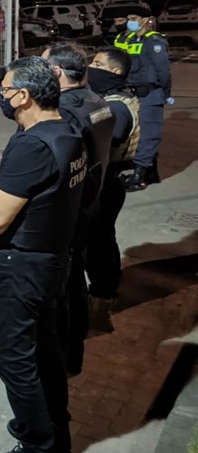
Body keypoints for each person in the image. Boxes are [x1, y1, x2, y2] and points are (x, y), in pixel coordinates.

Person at [0, 56, 86, 453]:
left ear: (24, 96)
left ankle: (38, 451)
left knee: (14, 359)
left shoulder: (33, 145)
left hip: (22, 268)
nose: (1, 95)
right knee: (46, 354)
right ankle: (56, 444)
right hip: (52, 261)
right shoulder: (66, 131)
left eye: (6, 89)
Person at [42, 43, 114, 377]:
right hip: (88, 205)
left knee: (63, 292)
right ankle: (73, 353)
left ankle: (65, 359)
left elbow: (50, 168)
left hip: (66, 216)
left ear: (57, 72)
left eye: (43, 67)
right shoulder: (97, 100)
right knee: (74, 283)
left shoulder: (64, 112)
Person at [85, 46, 139, 333]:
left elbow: (110, 134)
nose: (91, 68)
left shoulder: (117, 106)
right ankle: (102, 292)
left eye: (98, 64)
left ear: (115, 72)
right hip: (104, 181)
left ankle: (101, 300)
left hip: (106, 184)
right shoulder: (111, 98)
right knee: (100, 240)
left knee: (99, 244)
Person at [113, 13, 171, 191]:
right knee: (139, 134)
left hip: (151, 93)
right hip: (134, 92)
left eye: (134, 18)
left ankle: (139, 176)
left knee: (149, 135)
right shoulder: (131, 39)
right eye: (129, 19)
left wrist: (165, 93)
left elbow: (163, 71)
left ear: (145, 20)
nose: (130, 22)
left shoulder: (155, 41)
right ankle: (150, 173)